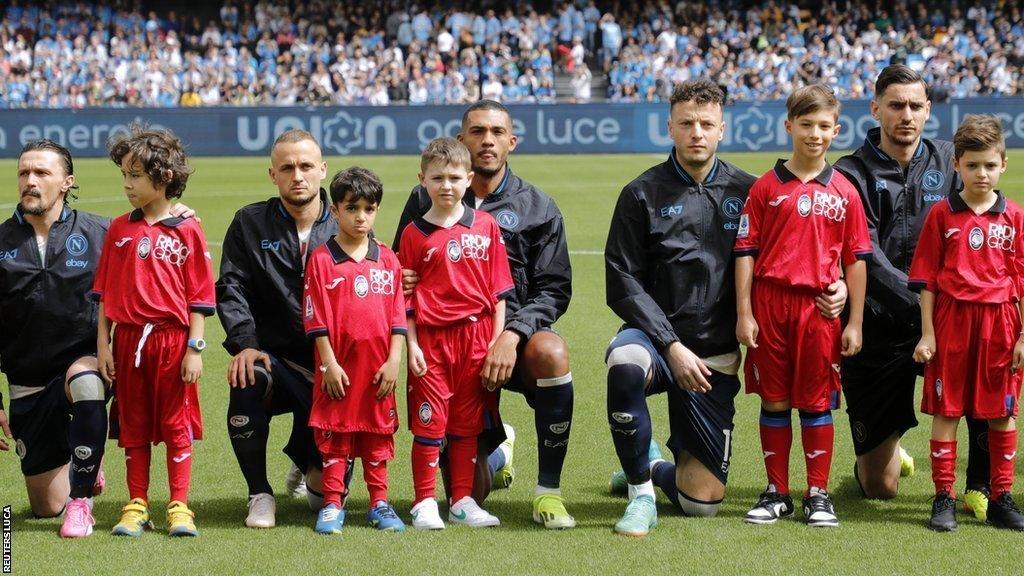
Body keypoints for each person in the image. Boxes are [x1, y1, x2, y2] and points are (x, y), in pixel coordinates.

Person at [604, 79, 847, 536]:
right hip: (658, 343)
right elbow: (621, 281)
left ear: (722, 130)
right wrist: (671, 345)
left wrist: (841, 288)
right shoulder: (640, 193)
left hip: (716, 353)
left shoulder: (752, 191)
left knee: (701, 503)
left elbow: (799, 255)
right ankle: (640, 494)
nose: (697, 132)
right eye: (687, 123)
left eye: (706, 124)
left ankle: (652, 464)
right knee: (624, 361)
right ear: (670, 128)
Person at [393, 100, 576, 529]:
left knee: (552, 351)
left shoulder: (538, 205)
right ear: (462, 140)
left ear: (511, 142)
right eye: (477, 131)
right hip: (441, 346)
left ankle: (548, 491)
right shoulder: (422, 202)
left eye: (496, 132)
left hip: (506, 340)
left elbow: (555, 288)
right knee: (472, 487)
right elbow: (403, 271)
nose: (487, 140)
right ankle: (497, 449)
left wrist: (511, 334)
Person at [0, 139, 192, 538]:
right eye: (24, 173)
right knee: (45, 506)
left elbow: (153, 227)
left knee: (86, 385)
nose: (30, 181)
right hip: (27, 383)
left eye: (42, 173)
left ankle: (82, 501)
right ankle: (84, 458)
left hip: (86, 365)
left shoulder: (101, 231)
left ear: (67, 182)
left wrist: (176, 213)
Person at [835, 64, 990, 517]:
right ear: (876, 108)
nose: (906, 115)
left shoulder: (951, 161)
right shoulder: (850, 173)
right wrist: (926, 302)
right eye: (896, 105)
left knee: (984, 371)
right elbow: (862, 254)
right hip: (878, 328)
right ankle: (891, 450)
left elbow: (983, 218)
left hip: (946, 323)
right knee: (878, 488)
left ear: (928, 111)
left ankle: (981, 484)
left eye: (916, 106)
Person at [734, 84, 870, 528]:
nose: (815, 134)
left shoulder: (846, 192)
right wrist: (744, 312)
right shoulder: (765, 188)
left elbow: (855, 260)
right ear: (789, 125)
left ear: (837, 130)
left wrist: (855, 322)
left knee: (815, 403)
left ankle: (818, 493)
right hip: (770, 305)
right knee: (774, 400)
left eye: (824, 126)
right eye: (806, 125)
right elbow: (746, 252)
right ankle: (777, 491)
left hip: (819, 311)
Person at [93, 125, 215, 537]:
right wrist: (103, 347)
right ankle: (136, 503)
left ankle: (179, 504)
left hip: (173, 341)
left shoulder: (188, 229)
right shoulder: (118, 229)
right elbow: (106, 296)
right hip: (128, 342)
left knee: (176, 423)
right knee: (134, 425)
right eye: (124, 175)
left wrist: (195, 348)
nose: (126, 184)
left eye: (135, 176)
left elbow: (199, 295)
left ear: (163, 178)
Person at [909, 114, 1024, 532]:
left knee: (1002, 412)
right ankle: (943, 497)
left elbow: (1021, 281)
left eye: (990, 165)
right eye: (972, 165)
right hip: (952, 322)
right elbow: (928, 281)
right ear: (956, 164)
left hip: (1001, 326)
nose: (981, 173)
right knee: (947, 409)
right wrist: (927, 333)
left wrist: (1023, 337)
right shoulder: (941, 215)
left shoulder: (1015, 217)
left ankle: (1001, 497)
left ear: (1003, 165)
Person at [217, 129, 336, 528]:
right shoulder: (249, 223)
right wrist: (245, 344)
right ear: (273, 174)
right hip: (274, 360)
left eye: (305, 166)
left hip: (329, 368)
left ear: (322, 169)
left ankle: (306, 460)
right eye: (287, 168)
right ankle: (259, 493)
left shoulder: (347, 222)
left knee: (322, 501)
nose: (297, 175)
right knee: (247, 375)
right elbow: (232, 288)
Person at [397, 137, 514, 529]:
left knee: (466, 424)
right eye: (437, 178)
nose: (446, 185)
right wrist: (412, 344)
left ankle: (461, 500)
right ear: (422, 180)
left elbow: (499, 294)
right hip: (431, 340)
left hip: (476, 339)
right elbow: (406, 298)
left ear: (468, 179)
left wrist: (496, 341)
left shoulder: (486, 225)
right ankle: (424, 501)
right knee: (430, 423)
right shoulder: (413, 234)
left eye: (453, 177)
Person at [302, 167, 406, 534]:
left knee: (377, 438)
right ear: (335, 211)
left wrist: (395, 360)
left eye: (369, 208)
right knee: (336, 439)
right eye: (352, 208)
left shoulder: (388, 259)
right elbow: (315, 317)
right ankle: (332, 504)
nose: (361, 216)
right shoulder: (322, 259)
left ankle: (379, 502)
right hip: (339, 371)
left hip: (379, 370)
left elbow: (397, 316)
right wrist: (328, 363)